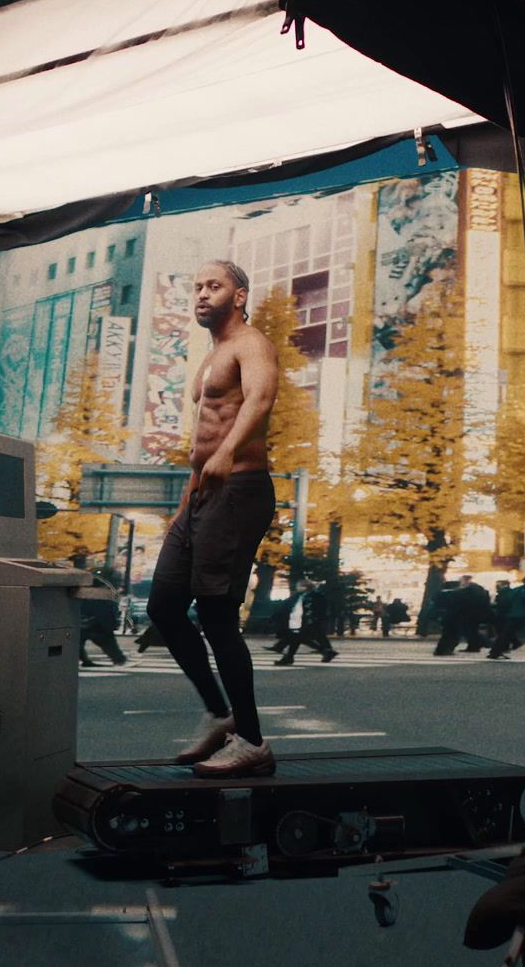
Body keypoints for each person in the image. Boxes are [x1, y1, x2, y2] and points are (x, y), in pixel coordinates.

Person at [146, 260, 280, 778]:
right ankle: (220, 713)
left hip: (240, 488)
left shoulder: (253, 343)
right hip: (203, 495)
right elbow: (203, 433)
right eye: (196, 286)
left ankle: (251, 741)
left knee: (218, 615)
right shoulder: (210, 357)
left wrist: (227, 453)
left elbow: (262, 398)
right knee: (163, 605)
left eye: (213, 286)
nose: (201, 294)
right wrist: (189, 496)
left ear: (239, 295)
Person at [274, 579, 338, 665]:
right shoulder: (300, 595)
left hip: (307, 622)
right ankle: (325, 651)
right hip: (300, 621)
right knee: (297, 638)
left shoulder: (312, 596)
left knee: (297, 638)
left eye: (299, 586)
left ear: (305, 587)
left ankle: (288, 656)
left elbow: (319, 609)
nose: (297, 588)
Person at [488, 573, 525, 660]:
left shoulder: (516, 590)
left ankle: (496, 651)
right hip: (524, 615)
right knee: (507, 634)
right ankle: (497, 651)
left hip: (513, 615)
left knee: (506, 633)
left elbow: (507, 601)